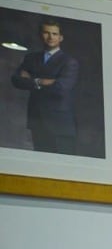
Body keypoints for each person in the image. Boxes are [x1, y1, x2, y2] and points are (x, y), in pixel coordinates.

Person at [9, 19, 78, 154]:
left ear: (61, 37)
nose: (50, 37)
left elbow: (61, 88)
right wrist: (41, 81)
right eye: (46, 33)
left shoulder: (69, 62)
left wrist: (32, 80)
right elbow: (16, 80)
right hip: (37, 120)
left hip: (60, 124)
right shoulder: (31, 58)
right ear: (41, 35)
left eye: (54, 33)